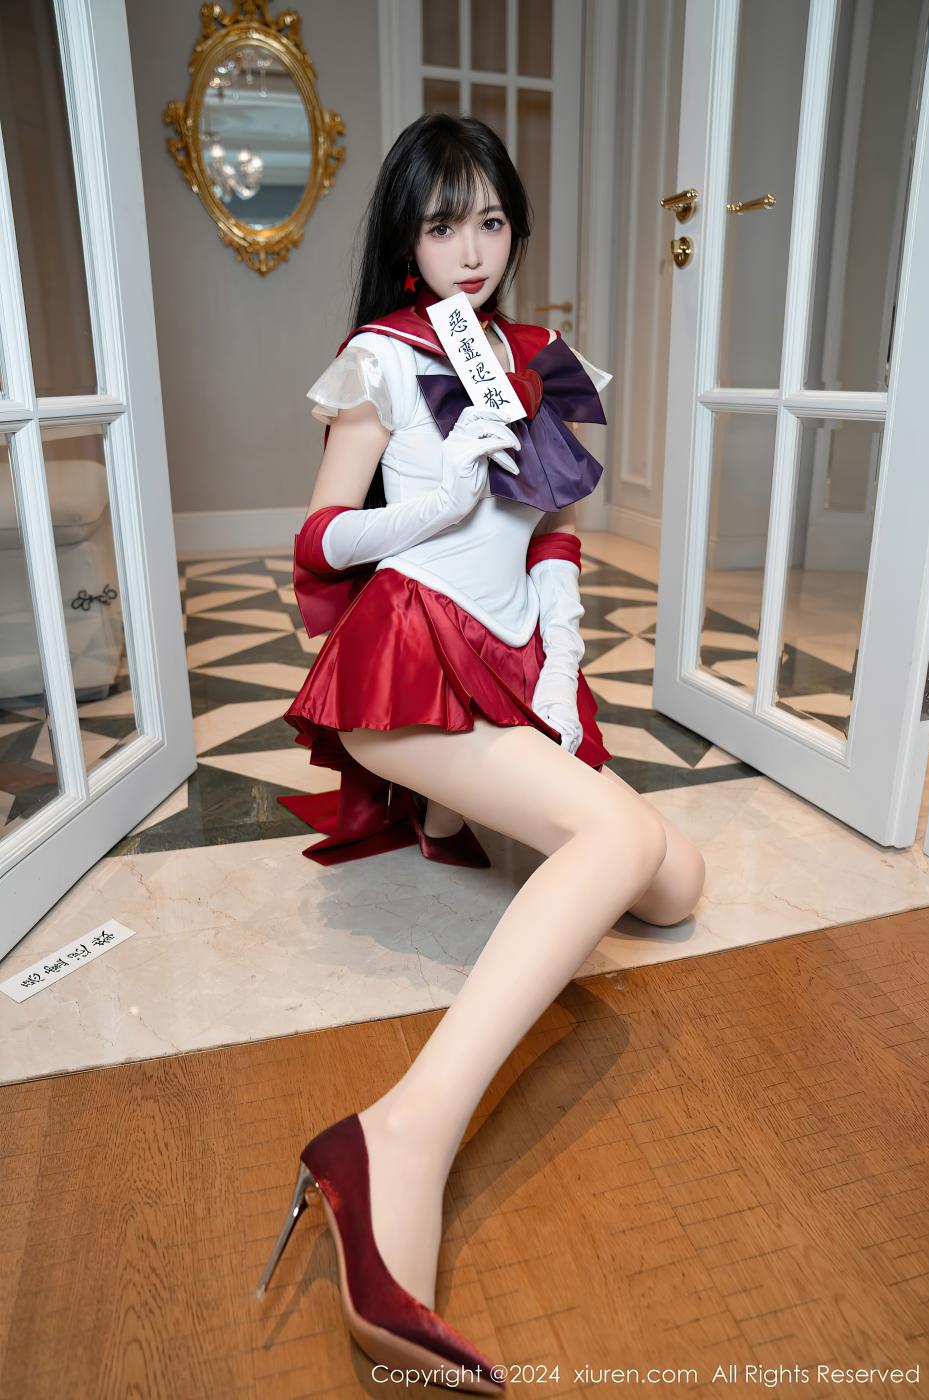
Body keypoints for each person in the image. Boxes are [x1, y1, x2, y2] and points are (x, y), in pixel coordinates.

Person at [257, 113, 706, 1395]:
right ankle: (398, 1136)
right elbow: (317, 537)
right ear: (406, 238)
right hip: (409, 657)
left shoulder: (537, 360)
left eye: (492, 221)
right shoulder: (382, 359)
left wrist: (563, 658)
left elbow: (551, 527)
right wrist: (432, 502)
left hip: (510, 666)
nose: (471, 249)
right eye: (444, 223)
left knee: (676, 885)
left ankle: (466, 819)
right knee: (623, 837)